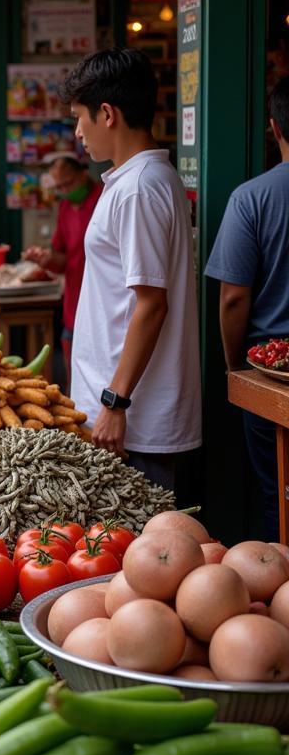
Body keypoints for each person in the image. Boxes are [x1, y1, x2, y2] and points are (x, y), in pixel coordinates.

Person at [60, 47, 201, 490]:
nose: (78, 132)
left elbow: (151, 305)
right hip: (120, 415)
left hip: (133, 423)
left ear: (107, 114)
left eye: (79, 118)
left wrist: (115, 402)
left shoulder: (139, 188)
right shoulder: (133, 180)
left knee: (139, 549)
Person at [204, 76, 289, 537]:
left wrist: (235, 365)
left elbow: (234, 296)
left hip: (270, 371)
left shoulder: (252, 197)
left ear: (275, 127)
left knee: (280, 494)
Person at [21, 153, 104, 381]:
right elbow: (63, 258)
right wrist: (45, 260)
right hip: (73, 304)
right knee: (75, 377)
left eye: (69, 184)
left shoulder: (104, 199)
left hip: (103, 303)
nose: (65, 191)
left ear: (83, 174)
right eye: (60, 187)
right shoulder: (65, 207)